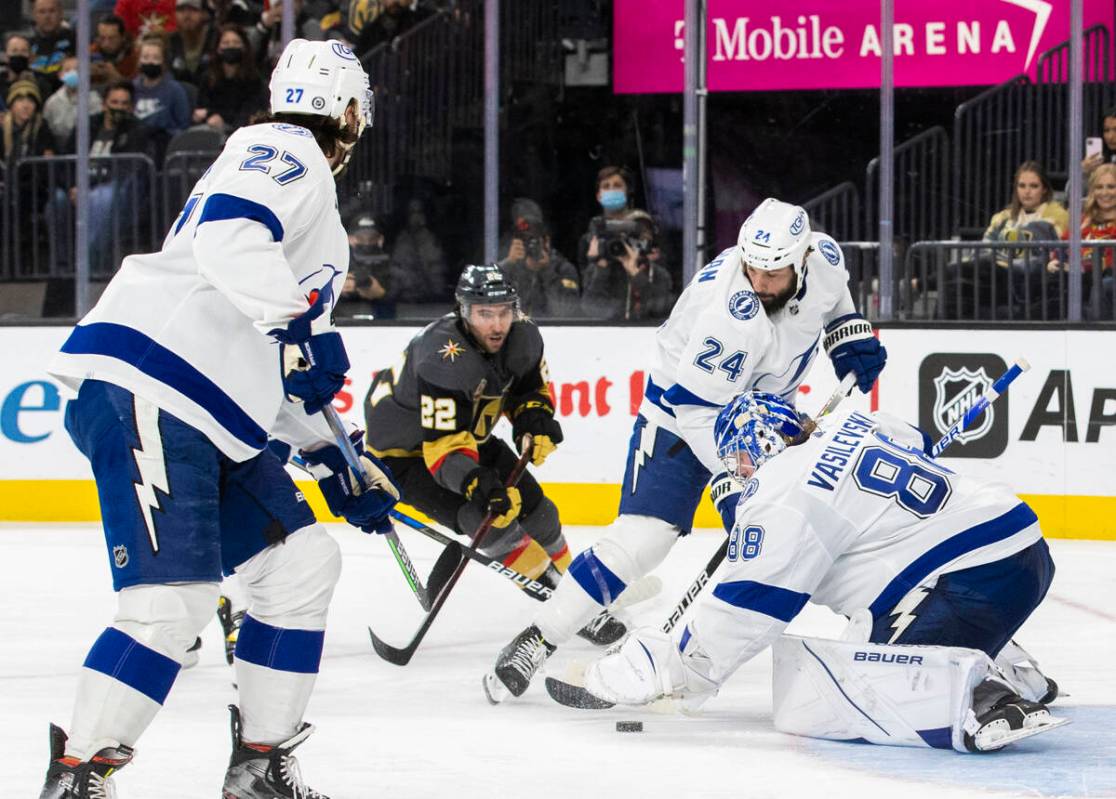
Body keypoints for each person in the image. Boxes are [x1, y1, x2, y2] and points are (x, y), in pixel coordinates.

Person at [39, 39, 392, 799]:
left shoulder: (310, 204)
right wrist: (306, 326)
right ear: (349, 110)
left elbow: (279, 359)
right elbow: (229, 236)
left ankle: (259, 767)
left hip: (211, 410)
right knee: (171, 604)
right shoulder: (281, 146)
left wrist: (334, 454)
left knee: (301, 566)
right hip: (155, 384)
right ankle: (77, 775)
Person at [483, 198, 888, 703]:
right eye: (753, 269)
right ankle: (538, 639)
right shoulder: (729, 314)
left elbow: (836, 299)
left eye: (773, 273)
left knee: (790, 537)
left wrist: (847, 336)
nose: (759, 283)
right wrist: (735, 473)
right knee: (643, 541)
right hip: (682, 417)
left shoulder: (825, 257)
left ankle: (870, 638)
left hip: (768, 418)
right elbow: (697, 411)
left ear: (802, 259)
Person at [578, 391, 1065, 754]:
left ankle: (990, 696)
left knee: (867, 685)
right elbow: (913, 439)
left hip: (973, 579)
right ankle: (1019, 669)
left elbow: (749, 610)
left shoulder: (781, 492)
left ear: (756, 446)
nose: (740, 473)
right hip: (1023, 550)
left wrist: (674, 669)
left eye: (739, 461)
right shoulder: (851, 420)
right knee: (884, 615)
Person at [362, 264, 624, 642]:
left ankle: (578, 592)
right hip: (405, 456)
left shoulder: (524, 336)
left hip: (468, 435)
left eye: (504, 311)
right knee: (486, 515)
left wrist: (533, 419)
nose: (497, 324)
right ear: (464, 312)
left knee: (541, 511)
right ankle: (563, 603)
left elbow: (528, 391)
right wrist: (476, 482)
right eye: (485, 314)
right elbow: (443, 450)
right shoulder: (441, 357)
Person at [939, 161, 1068, 320]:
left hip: (1028, 278)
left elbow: (1053, 252)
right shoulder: (1003, 217)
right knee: (952, 289)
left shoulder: (1057, 217)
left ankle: (919, 284)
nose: (1027, 192)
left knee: (980, 267)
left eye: (1033, 186)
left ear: (1044, 189)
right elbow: (985, 246)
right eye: (1022, 186)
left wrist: (1003, 260)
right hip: (996, 275)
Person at [1047, 162, 1116, 320]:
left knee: (1103, 284)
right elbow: (1062, 246)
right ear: (1092, 191)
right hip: (1077, 277)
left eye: (1111, 187)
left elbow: (1110, 264)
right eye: (1099, 187)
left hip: (1103, 279)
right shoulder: (1082, 220)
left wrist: (1079, 267)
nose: (1105, 193)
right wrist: (1054, 261)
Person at [580, 208, 674, 320]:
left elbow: (662, 308)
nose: (640, 238)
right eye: (635, 234)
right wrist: (602, 268)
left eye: (645, 232)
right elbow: (589, 308)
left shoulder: (659, 273)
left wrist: (636, 274)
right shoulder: (600, 269)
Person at [498, 212, 580, 319]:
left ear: (546, 241)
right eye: (526, 240)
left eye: (534, 241)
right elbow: (486, 293)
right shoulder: (512, 267)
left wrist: (547, 272)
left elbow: (565, 311)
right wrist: (508, 263)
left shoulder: (563, 269)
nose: (531, 245)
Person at [192, 24, 267, 133]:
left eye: (236, 43)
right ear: (218, 48)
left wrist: (213, 115)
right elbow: (200, 110)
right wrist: (209, 115)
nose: (231, 46)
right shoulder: (208, 78)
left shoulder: (254, 80)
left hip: (243, 131)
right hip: (211, 132)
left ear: (244, 47)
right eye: (226, 43)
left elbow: (250, 112)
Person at [132, 34, 191, 148]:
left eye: (155, 58)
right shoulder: (132, 89)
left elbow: (183, 127)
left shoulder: (175, 90)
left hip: (165, 147)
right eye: (146, 57)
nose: (150, 62)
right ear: (139, 60)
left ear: (163, 62)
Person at [389, 197, 450, 303]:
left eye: (419, 212)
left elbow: (437, 274)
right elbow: (394, 272)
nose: (416, 216)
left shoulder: (432, 240)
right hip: (403, 302)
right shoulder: (401, 241)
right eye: (412, 212)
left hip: (429, 302)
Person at [577, 164, 634, 276]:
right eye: (606, 187)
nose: (611, 190)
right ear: (599, 196)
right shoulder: (588, 240)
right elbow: (588, 286)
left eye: (617, 185)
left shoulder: (642, 229)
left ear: (627, 191)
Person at [338, 211, 395, 319]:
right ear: (350, 239)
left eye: (372, 238)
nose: (367, 242)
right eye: (361, 238)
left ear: (380, 240)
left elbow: (406, 300)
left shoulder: (391, 265)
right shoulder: (337, 263)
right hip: (342, 323)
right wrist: (337, 288)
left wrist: (381, 294)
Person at [42, 55, 103, 146]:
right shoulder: (52, 102)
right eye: (67, 70)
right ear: (60, 75)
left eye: (77, 70)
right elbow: (47, 131)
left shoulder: (95, 100)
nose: (73, 73)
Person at [167, 0, 216, 87]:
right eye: (181, 10)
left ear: (203, 14)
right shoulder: (170, 41)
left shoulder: (215, 38)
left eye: (193, 10)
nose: (187, 16)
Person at [29, 0, 75, 91]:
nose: (47, 17)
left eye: (52, 11)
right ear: (34, 15)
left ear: (61, 13)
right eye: (42, 12)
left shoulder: (75, 40)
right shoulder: (26, 43)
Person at [90, 15, 140, 90]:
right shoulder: (90, 52)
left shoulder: (135, 55)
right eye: (102, 38)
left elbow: (141, 88)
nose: (106, 44)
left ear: (123, 37)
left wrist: (117, 78)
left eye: (112, 38)